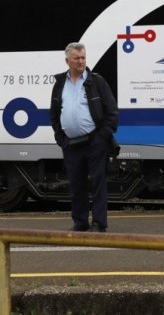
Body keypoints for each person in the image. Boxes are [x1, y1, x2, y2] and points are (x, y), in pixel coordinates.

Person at [50, 42, 119, 233]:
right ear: (67, 61)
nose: (81, 62)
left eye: (83, 58)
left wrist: (102, 136)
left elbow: (112, 112)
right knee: (76, 185)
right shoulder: (60, 84)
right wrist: (60, 138)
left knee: (98, 184)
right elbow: (54, 114)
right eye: (76, 58)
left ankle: (99, 223)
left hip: (95, 142)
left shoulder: (96, 82)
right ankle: (80, 222)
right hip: (71, 145)